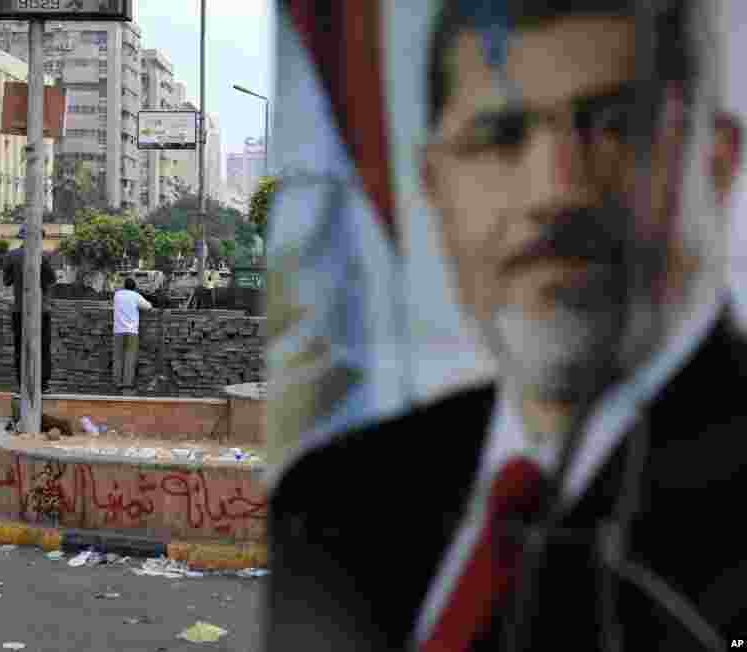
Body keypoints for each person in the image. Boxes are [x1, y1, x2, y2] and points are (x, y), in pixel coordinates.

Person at [266, 3, 747, 651]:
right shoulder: (334, 501)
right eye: (499, 135)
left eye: (614, 124)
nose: (555, 190)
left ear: (716, 163)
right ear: (434, 187)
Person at [2, 225, 55, 392]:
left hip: (20, 310)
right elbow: (51, 280)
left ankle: (22, 384)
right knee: (43, 347)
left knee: (20, 347)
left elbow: (7, 281)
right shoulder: (42, 256)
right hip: (41, 310)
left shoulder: (12, 256)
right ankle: (43, 385)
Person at [112, 277, 153, 390]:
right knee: (130, 357)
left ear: (124, 285)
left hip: (118, 330)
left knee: (118, 357)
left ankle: (116, 382)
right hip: (131, 331)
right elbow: (149, 307)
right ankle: (127, 383)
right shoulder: (136, 296)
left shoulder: (117, 295)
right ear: (134, 287)